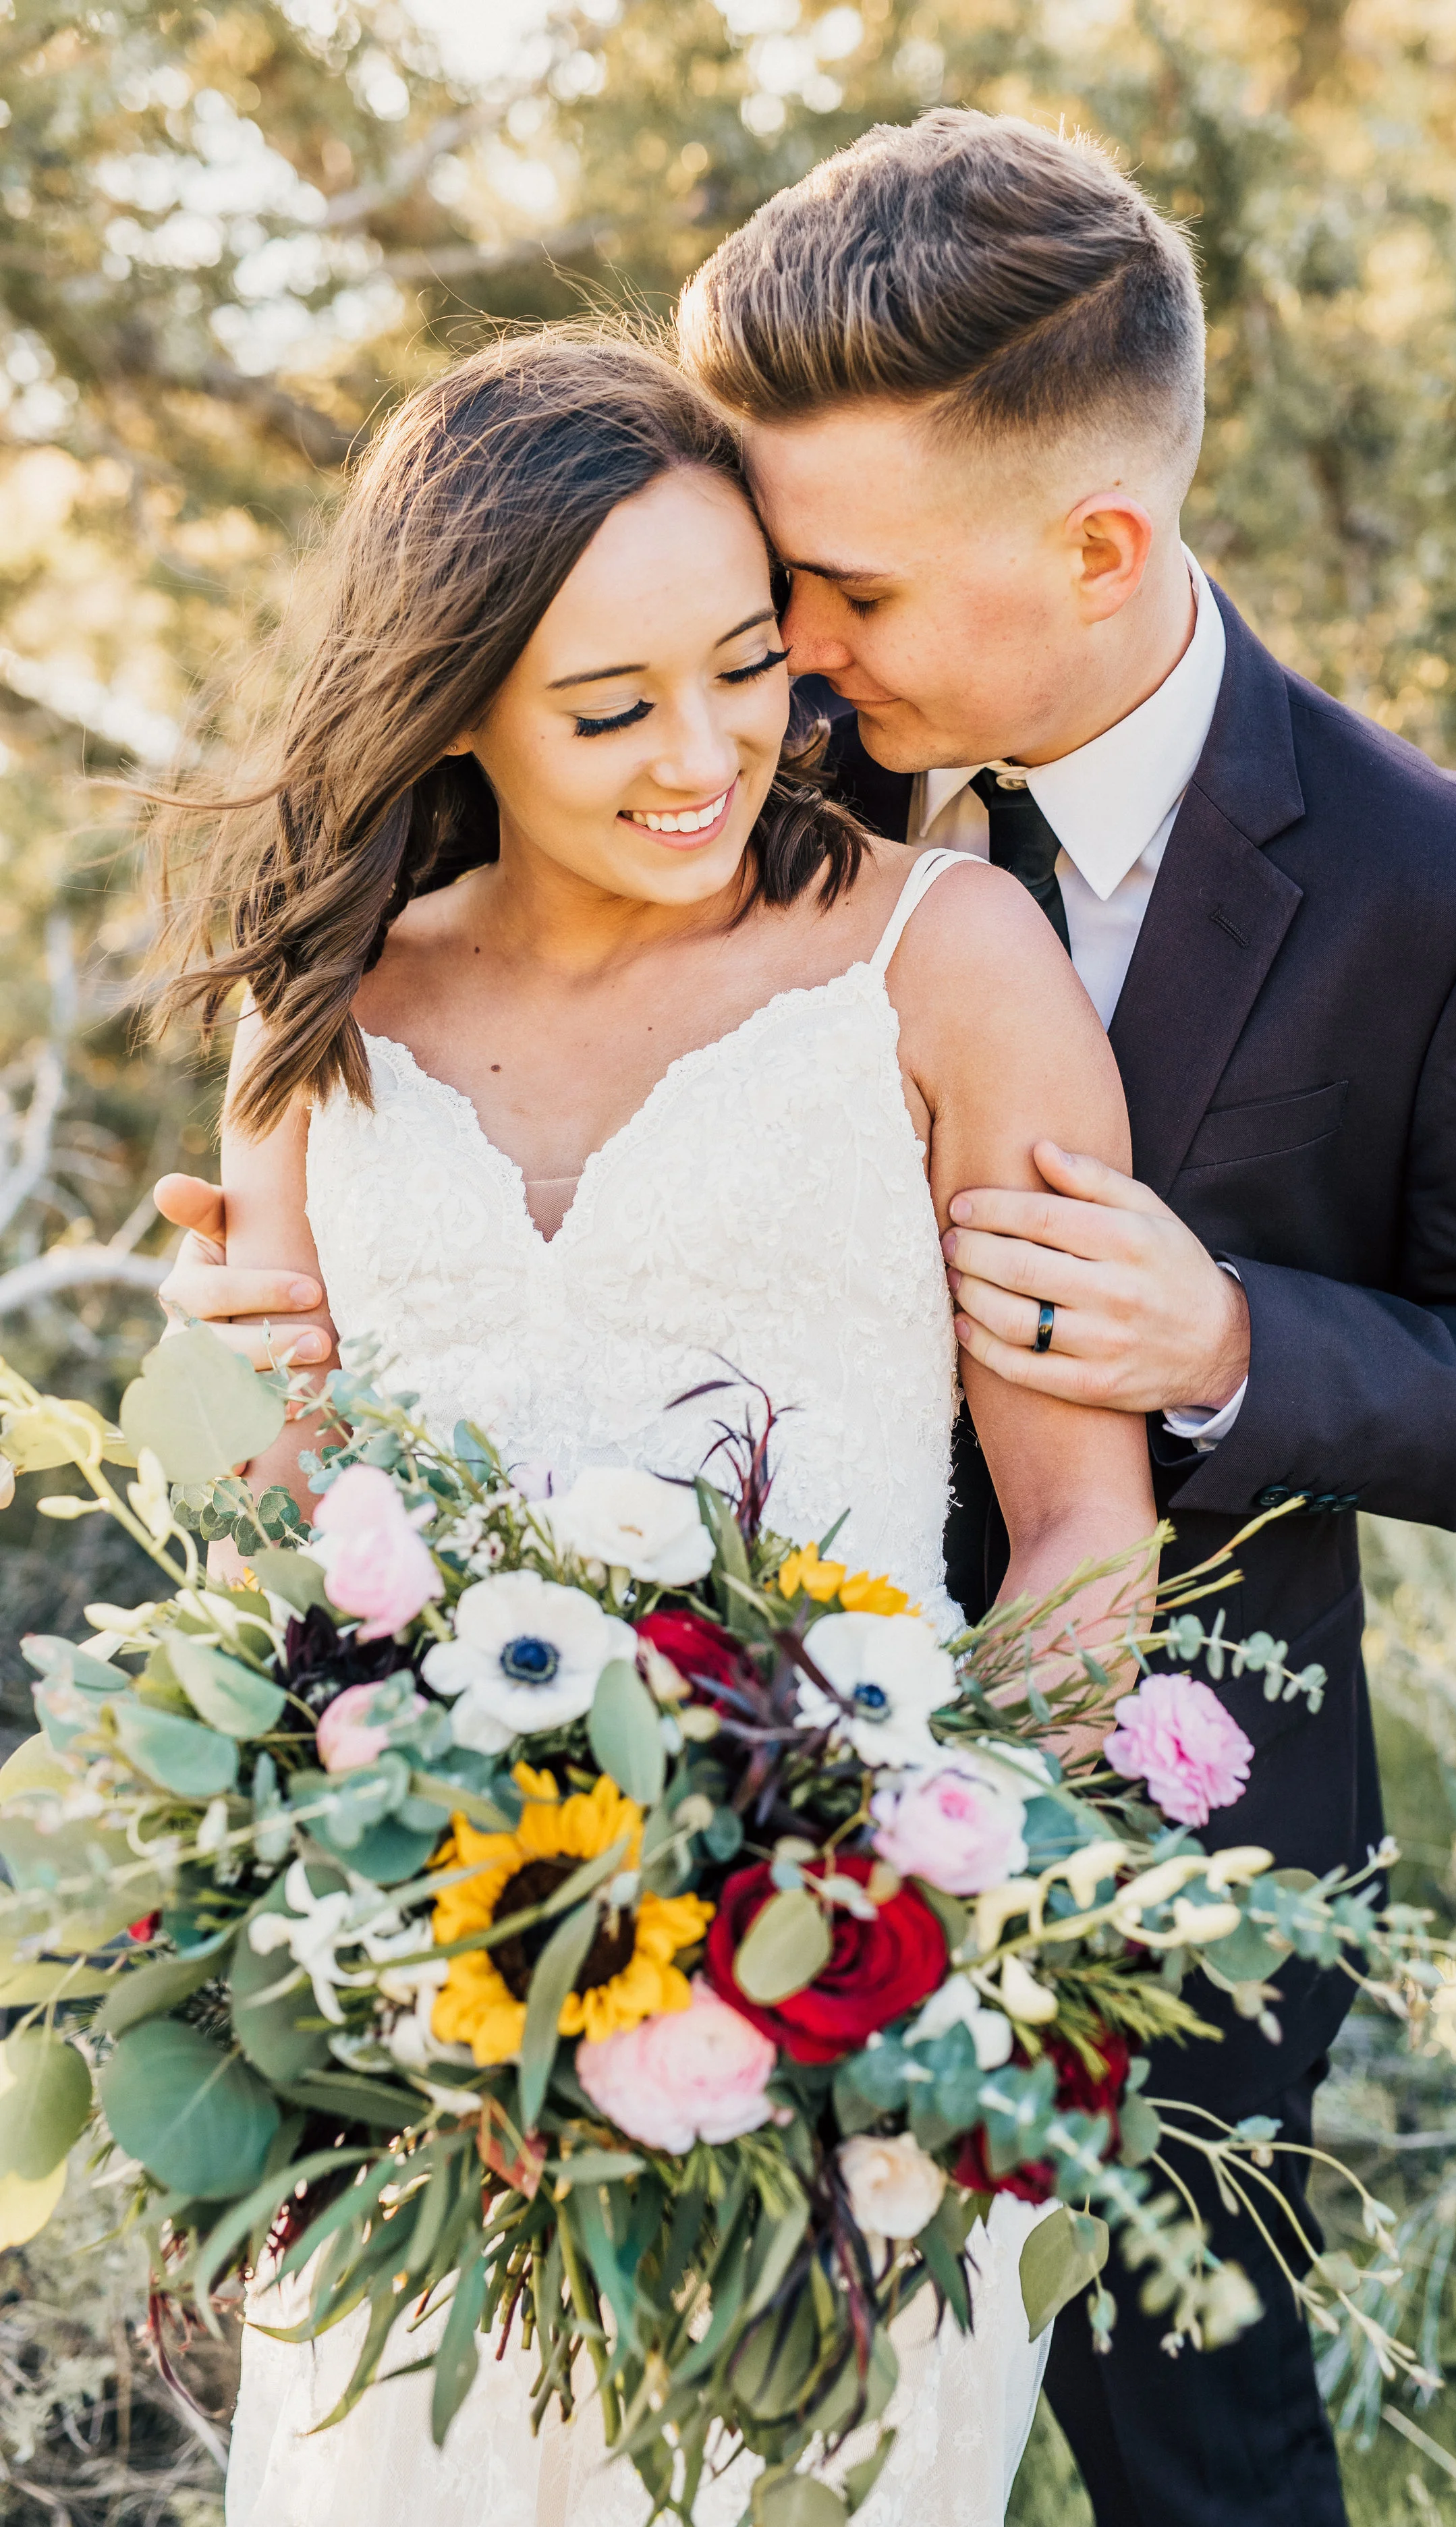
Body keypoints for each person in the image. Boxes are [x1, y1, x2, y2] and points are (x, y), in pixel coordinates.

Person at [155, 111, 1456, 2527]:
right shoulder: (708, 723)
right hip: (487, 1887)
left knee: (1189, 2454)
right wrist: (262, 1342)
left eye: (823, 601)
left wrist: (1228, 1344)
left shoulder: (1435, 889)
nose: (788, 678)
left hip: (1123, 1830)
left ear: (1092, 547)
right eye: (765, 598)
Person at [152, 329, 1157, 2527]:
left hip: (836, 2071)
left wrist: (918, 1936)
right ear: (454, 702)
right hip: (414, 2067)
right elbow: (281, 1539)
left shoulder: (947, 961)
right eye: (609, 712)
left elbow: (1086, 1532)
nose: (705, 755)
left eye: (741, 665)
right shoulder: (318, 1013)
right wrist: (221, 1392)